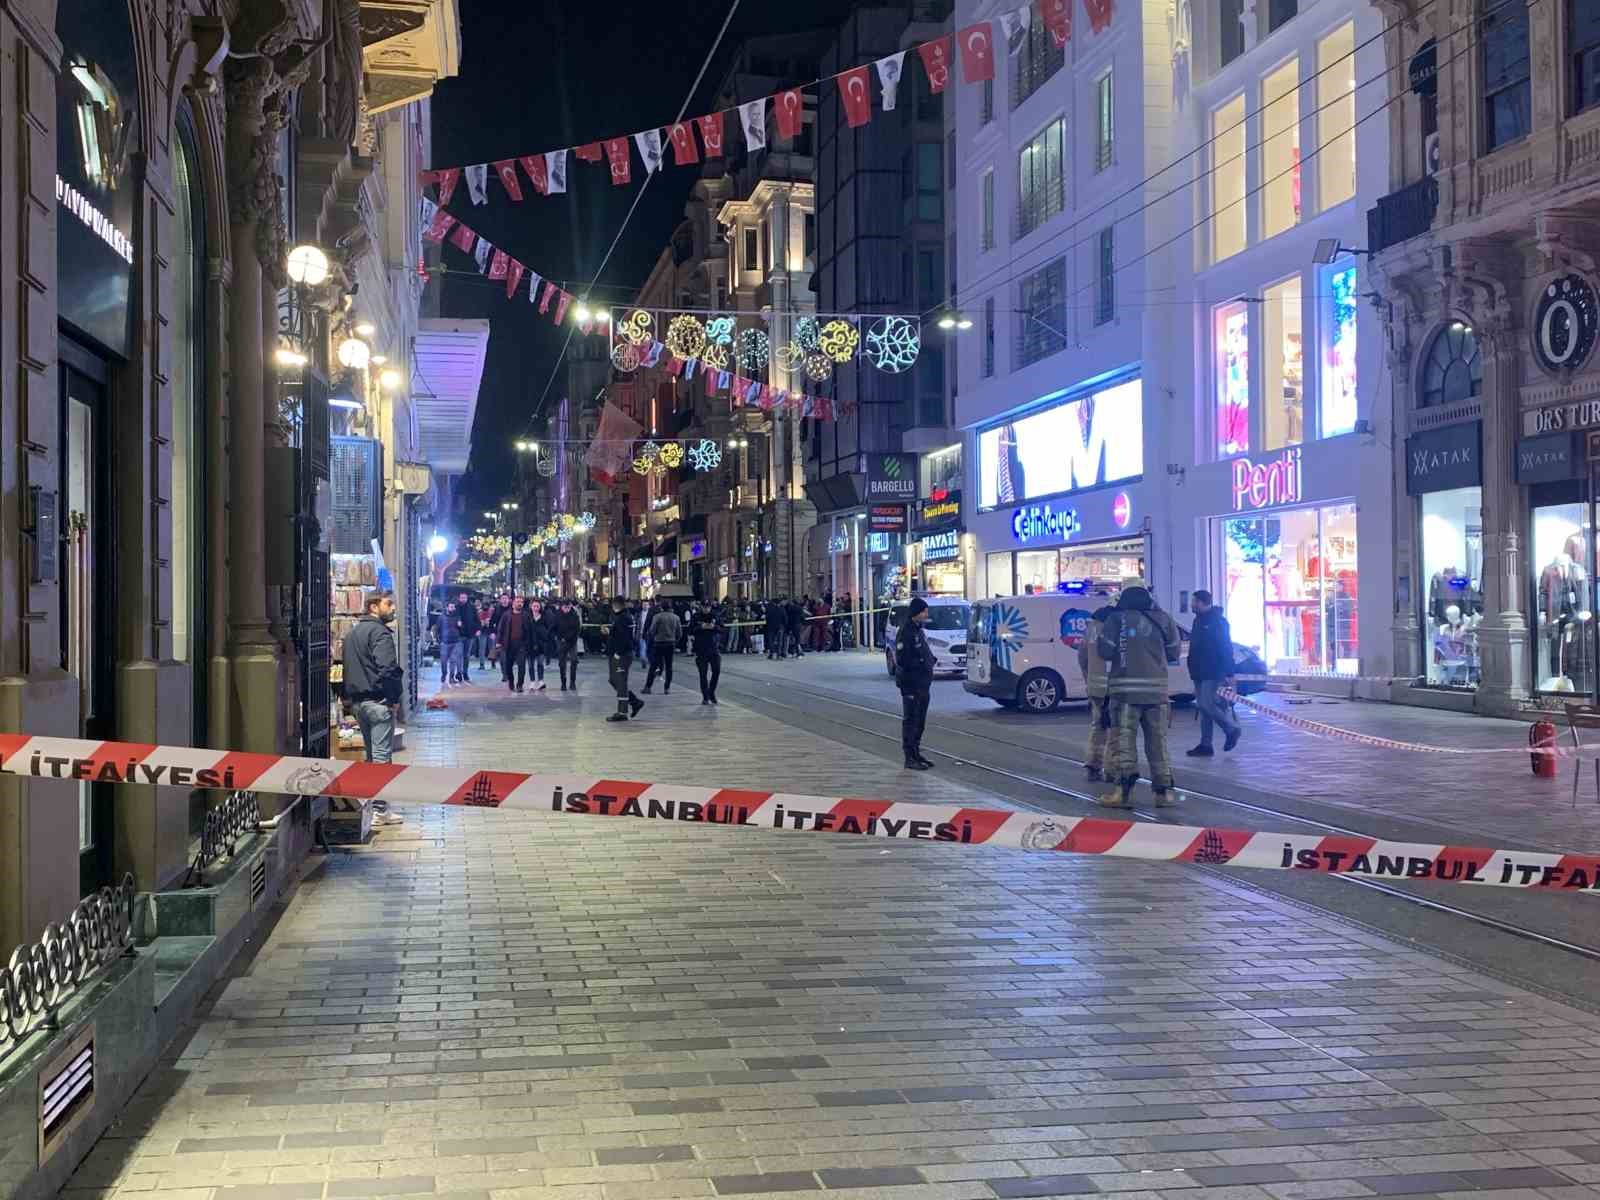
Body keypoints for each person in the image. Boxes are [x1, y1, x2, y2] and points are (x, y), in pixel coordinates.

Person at [1096, 578, 1181, 808]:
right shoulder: (1163, 618)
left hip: (1125, 694)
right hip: (1157, 694)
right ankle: (1163, 793)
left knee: (1124, 742)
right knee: (1158, 743)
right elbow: (1174, 651)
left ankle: (1122, 793)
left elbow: (1104, 651)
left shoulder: (1116, 619)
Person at [342, 591, 405, 826]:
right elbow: (388, 668)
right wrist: (393, 697)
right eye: (388, 604)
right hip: (378, 702)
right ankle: (379, 810)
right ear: (373, 606)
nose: (392, 608)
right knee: (380, 758)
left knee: (372, 756)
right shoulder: (379, 633)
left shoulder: (353, 633)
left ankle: (375, 806)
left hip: (359, 703)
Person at [1186, 589, 1242, 757]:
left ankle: (1231, 729)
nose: (1191, 605)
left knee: (1207, 704)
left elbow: (1225, 647)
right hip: (1198, 670)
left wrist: (1229, 672)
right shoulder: (1198, 621)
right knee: (1203, 709)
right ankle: (1206, 745)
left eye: (1194, 602)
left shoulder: (1218, 622)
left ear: (1203, 603)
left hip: (1213, 670)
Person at [1077, 599, 1119, 783]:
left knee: (1098, 726)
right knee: (1115, 728)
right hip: (1115, 685)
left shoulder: (1092, 626)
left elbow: (1082, 656)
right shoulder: (1119, 624)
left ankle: (1093, 765)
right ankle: (1111, 769)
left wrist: (1088, 678)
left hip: (1096, 686)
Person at [896, 597, 936, 770]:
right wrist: (922, 665)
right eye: (924, 611)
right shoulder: (906, 632)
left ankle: (916, 753)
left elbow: (924, 651)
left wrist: (931, 661)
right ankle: (909, 757)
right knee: (911, 720)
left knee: (920, 721)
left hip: (923, 684)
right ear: (916, 612)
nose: (926, 614)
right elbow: (903, 659)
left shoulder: (918, 630)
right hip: (911, 683)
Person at [606, 597, 645, 722]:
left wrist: (618, 653)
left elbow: (624, 638)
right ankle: (634, 701)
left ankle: (622, 712)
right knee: (613, 680)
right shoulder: (620, 617)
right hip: (617, 653)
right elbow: (618, 634)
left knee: (621, 681)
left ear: (616, 605)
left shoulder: (623, 618)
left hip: (621, 655)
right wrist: (609, 632)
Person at [497, 596, 533, 692]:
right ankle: (511, 681)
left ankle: (520, 685)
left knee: (522, 666)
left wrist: (530, 643)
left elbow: (530, 630)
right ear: (513, 604)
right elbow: (500, 629)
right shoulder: (506, 615)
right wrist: (498, 642)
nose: (520, 603)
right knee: (508, 665)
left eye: (521, 602)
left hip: (522, 644)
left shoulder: (526, 615)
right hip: (509, 644)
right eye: (518, 602)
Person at [644, 601, 682, 693]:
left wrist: (653, 638)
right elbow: (679, 633)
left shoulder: (657, 617)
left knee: (653, 666)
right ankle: (667, 688)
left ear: (661, 608)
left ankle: (648, 687)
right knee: (669, 667)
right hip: (671, 643)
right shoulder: (676, 617)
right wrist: (675, 640)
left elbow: (652, 631)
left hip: (659, 643)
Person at [691, 604, 723, 705]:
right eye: (704, 607)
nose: (706, 609)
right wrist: (701, 627)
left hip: (714, 649)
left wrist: (714, 627)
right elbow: (690, 630)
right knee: (703, 675)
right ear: (701, 607)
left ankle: (711, 692)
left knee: (716, 671)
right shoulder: (696, 616)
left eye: (708, 607)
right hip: (701, 649)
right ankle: (705, 696)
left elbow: (722, 629)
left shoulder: (715, 616)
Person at [556, 599, 582, 691]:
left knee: (574, 660)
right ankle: (563, 683)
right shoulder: (557, 615)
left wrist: (568, 638)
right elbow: (555, 627)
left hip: (572, 641)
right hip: (561, 641)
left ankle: (572, 682)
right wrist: (559, 637)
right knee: (562, 663)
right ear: (561, 607)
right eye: (564, 607)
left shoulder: (574, 615)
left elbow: (577, 629)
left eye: (568, 607)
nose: (566, 609)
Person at [454, 592, 479, 682]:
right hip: (459, 635)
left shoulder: (472, 608)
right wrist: (456, 623)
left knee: (466, 655)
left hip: (469, 635)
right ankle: (459, 673)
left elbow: (477, 620)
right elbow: (451, 618)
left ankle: (465, 672)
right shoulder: (456, 608)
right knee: (459, 654)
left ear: (467, 598)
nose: (463, 599)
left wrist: (478, 629)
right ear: (459, 598)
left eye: (465, 597)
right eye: (461, 597)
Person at [526, 601, 550, 691]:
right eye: (534, 606)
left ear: (540, 607)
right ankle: (532, 682)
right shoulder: (527, 617)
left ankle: (541, 681)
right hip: (530, 644)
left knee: (540, 663)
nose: (536, 608)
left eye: (537, 606)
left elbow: (548, 629)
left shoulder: (544, 617)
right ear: (531, 607)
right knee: (531, 664)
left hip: (541, 645)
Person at [440, 600, 463, 685]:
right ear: (447, 607)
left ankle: (451, 677)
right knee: (443, 661)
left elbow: (461, 629)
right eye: (451, 607)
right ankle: (444, 673)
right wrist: (439, 639)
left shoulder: (457, 617)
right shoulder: (442, 617)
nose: (453, 608)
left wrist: (460, 626)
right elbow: (437, 628)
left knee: (453, 660)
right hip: (444, 642)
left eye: (453, 607)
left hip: (455, 641)